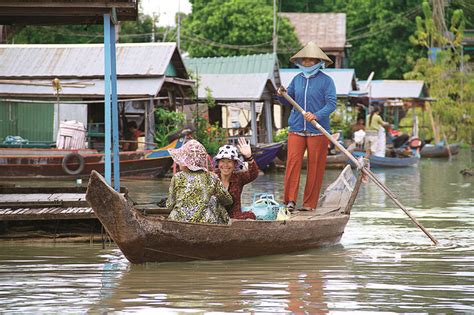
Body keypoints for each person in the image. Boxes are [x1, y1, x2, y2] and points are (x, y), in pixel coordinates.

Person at [277, 41, 337, 211]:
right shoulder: (297, 79)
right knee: (293, 163)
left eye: (311, 60)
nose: (307, 63)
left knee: (315, 166)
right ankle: (290, 201)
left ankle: (309, 204)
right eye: (304, 60)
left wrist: (316, 115)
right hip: (296, 127)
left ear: (319, 62)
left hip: (317, 129)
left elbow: (331, 104)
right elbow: (288, 100)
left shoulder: (327, 81)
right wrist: (281, 95)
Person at [166, 139, 232, 224]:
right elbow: (228, 200)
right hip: (205, 222)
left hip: (178, 220)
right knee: (214, 199)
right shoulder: (212, 177)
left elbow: (170, 204)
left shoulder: (177, 177)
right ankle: (226, 225)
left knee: (213, 199)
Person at [213, 138, 259, 220]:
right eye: (222, 161)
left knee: (251, 216)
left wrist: (249, 157)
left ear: (235, 164)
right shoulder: (212, 177)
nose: (225, 165)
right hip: (215, 217)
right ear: (218, 163)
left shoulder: (238, 178)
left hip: (235, 218)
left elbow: (254, 174)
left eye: (229, 161)